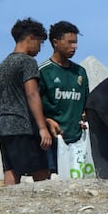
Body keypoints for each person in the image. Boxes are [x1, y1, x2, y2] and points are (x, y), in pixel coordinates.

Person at [0, 18, 52, 185]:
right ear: (31, 37)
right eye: (40, 43)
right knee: (41, 171)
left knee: (11, 171)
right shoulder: (27, 62)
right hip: (24, 127)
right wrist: (42, 128)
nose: (40, 48)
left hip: (3, 127)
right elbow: (32, 94)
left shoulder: (1, 67)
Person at [38, 21, 89, 173]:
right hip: (53, 143)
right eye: (70, 42)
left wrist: (85, 114)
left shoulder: (80, 72)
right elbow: (32, 104)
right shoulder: (43, 71)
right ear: (55, 42)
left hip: (79, 143)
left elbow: (86, 101)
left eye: (76, 42)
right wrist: (47, 121)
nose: (75, 47)